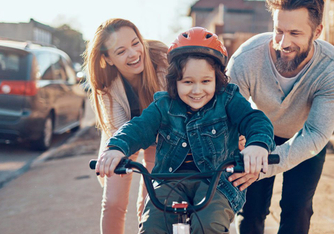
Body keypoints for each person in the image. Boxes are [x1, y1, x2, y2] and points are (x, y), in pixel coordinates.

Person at [95, 27, 276, 233]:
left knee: (208, 224)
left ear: (217, 79)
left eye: (206, 81)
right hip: (168, 181)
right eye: (188, 82)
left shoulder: (228, 100)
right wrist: (117, 147)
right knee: (152, 225)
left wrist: (257, 145)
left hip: (216, 183)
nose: (197, 90)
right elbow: (138, 127)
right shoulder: (163, 105)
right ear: (175, 81)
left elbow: (255, 120)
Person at [226, 0, 334, 233]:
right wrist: (243, 146)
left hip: (307, 136)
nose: (283, 43)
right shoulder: (246, 58)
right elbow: (229, 114)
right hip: (258, 135)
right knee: (250, 209)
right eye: (279, 31)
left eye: (295, 33)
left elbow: (316, 133)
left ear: (317, 31)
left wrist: (263, 168)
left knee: (297, 208)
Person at [83, 18, 168, 234]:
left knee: (151, 202)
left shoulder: (163, 63)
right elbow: (120, 133)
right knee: (113, 203)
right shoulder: (106, 83)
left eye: (135, 43)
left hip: (163, 134)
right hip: (124, 135)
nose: (133, 53)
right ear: (108, 59)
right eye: (120, 51)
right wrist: (115, 153)